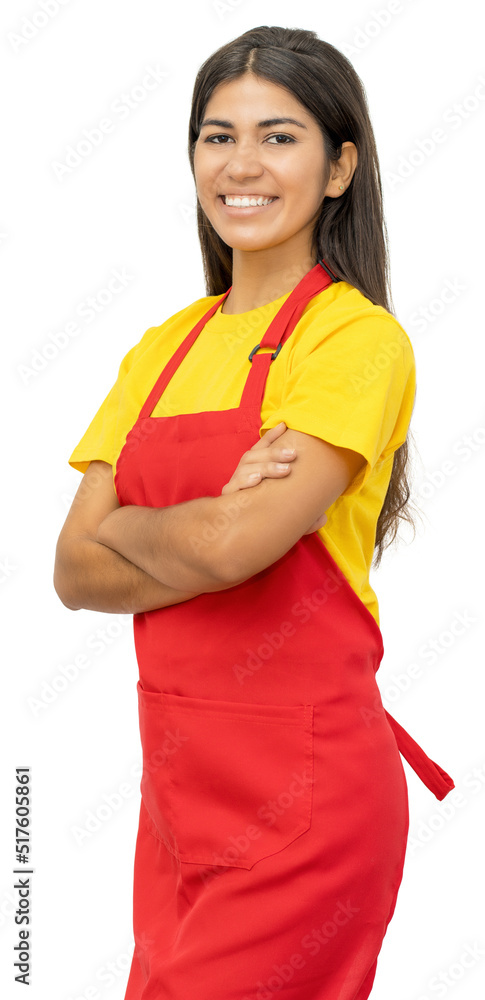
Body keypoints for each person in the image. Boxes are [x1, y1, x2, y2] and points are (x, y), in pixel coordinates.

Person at [54, 25, 454, 1000]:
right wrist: (202, 524)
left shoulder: (354, 342)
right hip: (177, 808)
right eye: (216, 136)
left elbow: (237, 546)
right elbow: (72, 571)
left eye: (278, 137)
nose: (241, 165)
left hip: (307, 806)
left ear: (338, 167)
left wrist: (133, 526)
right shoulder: (163, 347)